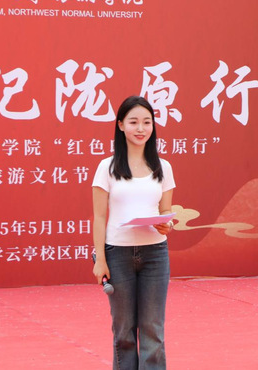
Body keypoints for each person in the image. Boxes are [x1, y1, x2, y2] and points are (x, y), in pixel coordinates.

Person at [92, 95, 175, 370]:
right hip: (118, 254)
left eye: (147, 122)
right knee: (124, 331)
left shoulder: (163, 167)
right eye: (134, 122)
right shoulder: (107, 167)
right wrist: (100, 260)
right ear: (120, 125)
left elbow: (166, 211)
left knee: (153, 330)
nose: (141, 129)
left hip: (155, 254)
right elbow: (99, 216)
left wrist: (166, 224)